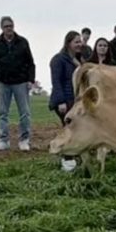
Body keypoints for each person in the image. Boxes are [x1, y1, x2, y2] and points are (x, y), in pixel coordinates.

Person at [0, 16, 36, 152]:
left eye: (11, 26)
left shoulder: (22, 42)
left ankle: (24, 140)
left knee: (25, 112)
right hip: (3, 82)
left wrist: (31, 80)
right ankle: (3, 140)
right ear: (1, 28)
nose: (9, 28)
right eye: (6, 26)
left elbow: (31, 62)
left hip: (21, 82)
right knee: (2, 112)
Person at [49, 31, 84, 172]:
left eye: (80, 41)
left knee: (75, 130)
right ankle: (67, 159)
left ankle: (74, 157)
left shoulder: (77, 60)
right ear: (68, 43)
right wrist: (61, 101)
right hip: (64, 100)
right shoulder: (58, 60)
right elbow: (56, 81)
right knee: (68, 130)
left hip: (75, 100)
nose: (79, 44)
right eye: (76, 41)